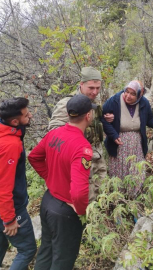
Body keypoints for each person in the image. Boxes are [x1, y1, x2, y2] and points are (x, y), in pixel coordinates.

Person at [28, 94, 94, 270]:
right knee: (62, 261)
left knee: (46, 251)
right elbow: (79, 192)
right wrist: (80, 210)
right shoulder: (82, 147)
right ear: (88, 116)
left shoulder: (54, 134)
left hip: (48, 201)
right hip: (65, 211)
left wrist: (49, 178)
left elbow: (34, 157)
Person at [0, 97, 37, 270]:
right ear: (15, 121)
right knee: (27, 250)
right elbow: (1, 186)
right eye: (26, 115)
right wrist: (9, 219)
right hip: (8, 208)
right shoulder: (9, 144)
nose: (30, 116)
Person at [48, 67, 106, 202]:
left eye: (98, 88)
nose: (95, 92)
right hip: (79, 160)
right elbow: (53, 133)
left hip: (98, 157)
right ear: (81, 84)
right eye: (91, 88)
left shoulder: (94, 102)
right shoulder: (67, 104)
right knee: (86, 198)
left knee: (102, 195)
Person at [101, 80, 153, 196]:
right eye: (127, 92)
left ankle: (134, 200)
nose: (128, 96)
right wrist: (114, 135)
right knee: (118, 172)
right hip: (119, 143)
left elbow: (149, 119)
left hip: (136, 144)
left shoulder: (144, 103)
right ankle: (119, 200)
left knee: (136, 171)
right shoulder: (114, 101)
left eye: (133, 94)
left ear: (140, 95)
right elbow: (103, 119)